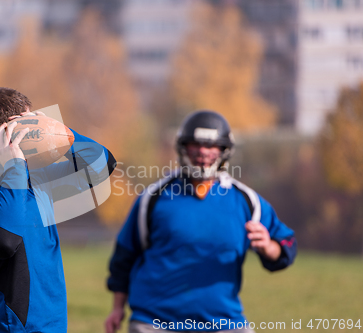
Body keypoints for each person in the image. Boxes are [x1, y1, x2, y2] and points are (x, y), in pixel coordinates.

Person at [105, 110, 297, 333]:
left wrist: (268, 248)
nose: (203, 151)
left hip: (224, 322)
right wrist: (117, 308)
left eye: (211, 145)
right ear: (183, 146)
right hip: (155, 322)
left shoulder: (246, 201)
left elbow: (286, 246)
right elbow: (125, 256)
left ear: (224, 150)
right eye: (196, 144)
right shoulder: (154, 197)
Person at [0, 87, 116, 333]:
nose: (38, 128)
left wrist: (60, 131)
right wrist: (12, 167)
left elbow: (102, 164)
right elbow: (4, 240)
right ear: (4, 137)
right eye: (30, 123)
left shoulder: (34, 180)